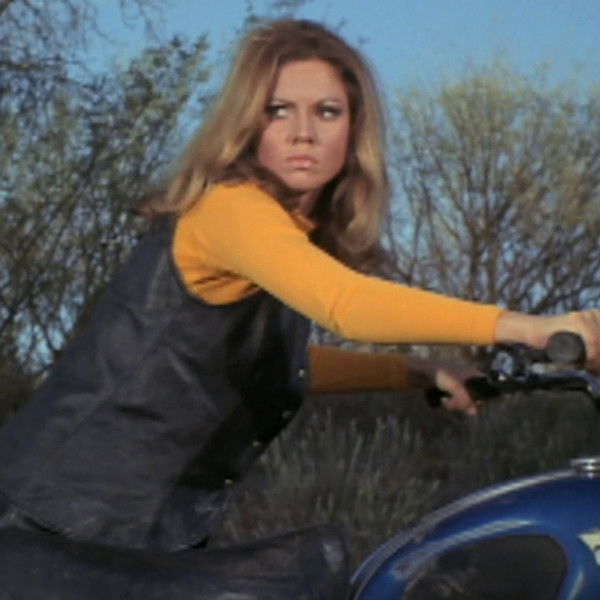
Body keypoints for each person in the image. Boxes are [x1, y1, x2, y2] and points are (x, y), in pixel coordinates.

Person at [0, 17, 599, 597]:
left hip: (134, 535)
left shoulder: (283, 233)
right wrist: (530, 327)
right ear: (245, 123)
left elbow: (276, 363)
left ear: (354, 129)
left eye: (327, 111)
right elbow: (348, 305)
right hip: (55, 532)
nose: (302, 132)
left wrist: (416, 370)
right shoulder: (231, 208)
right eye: (277, 110)